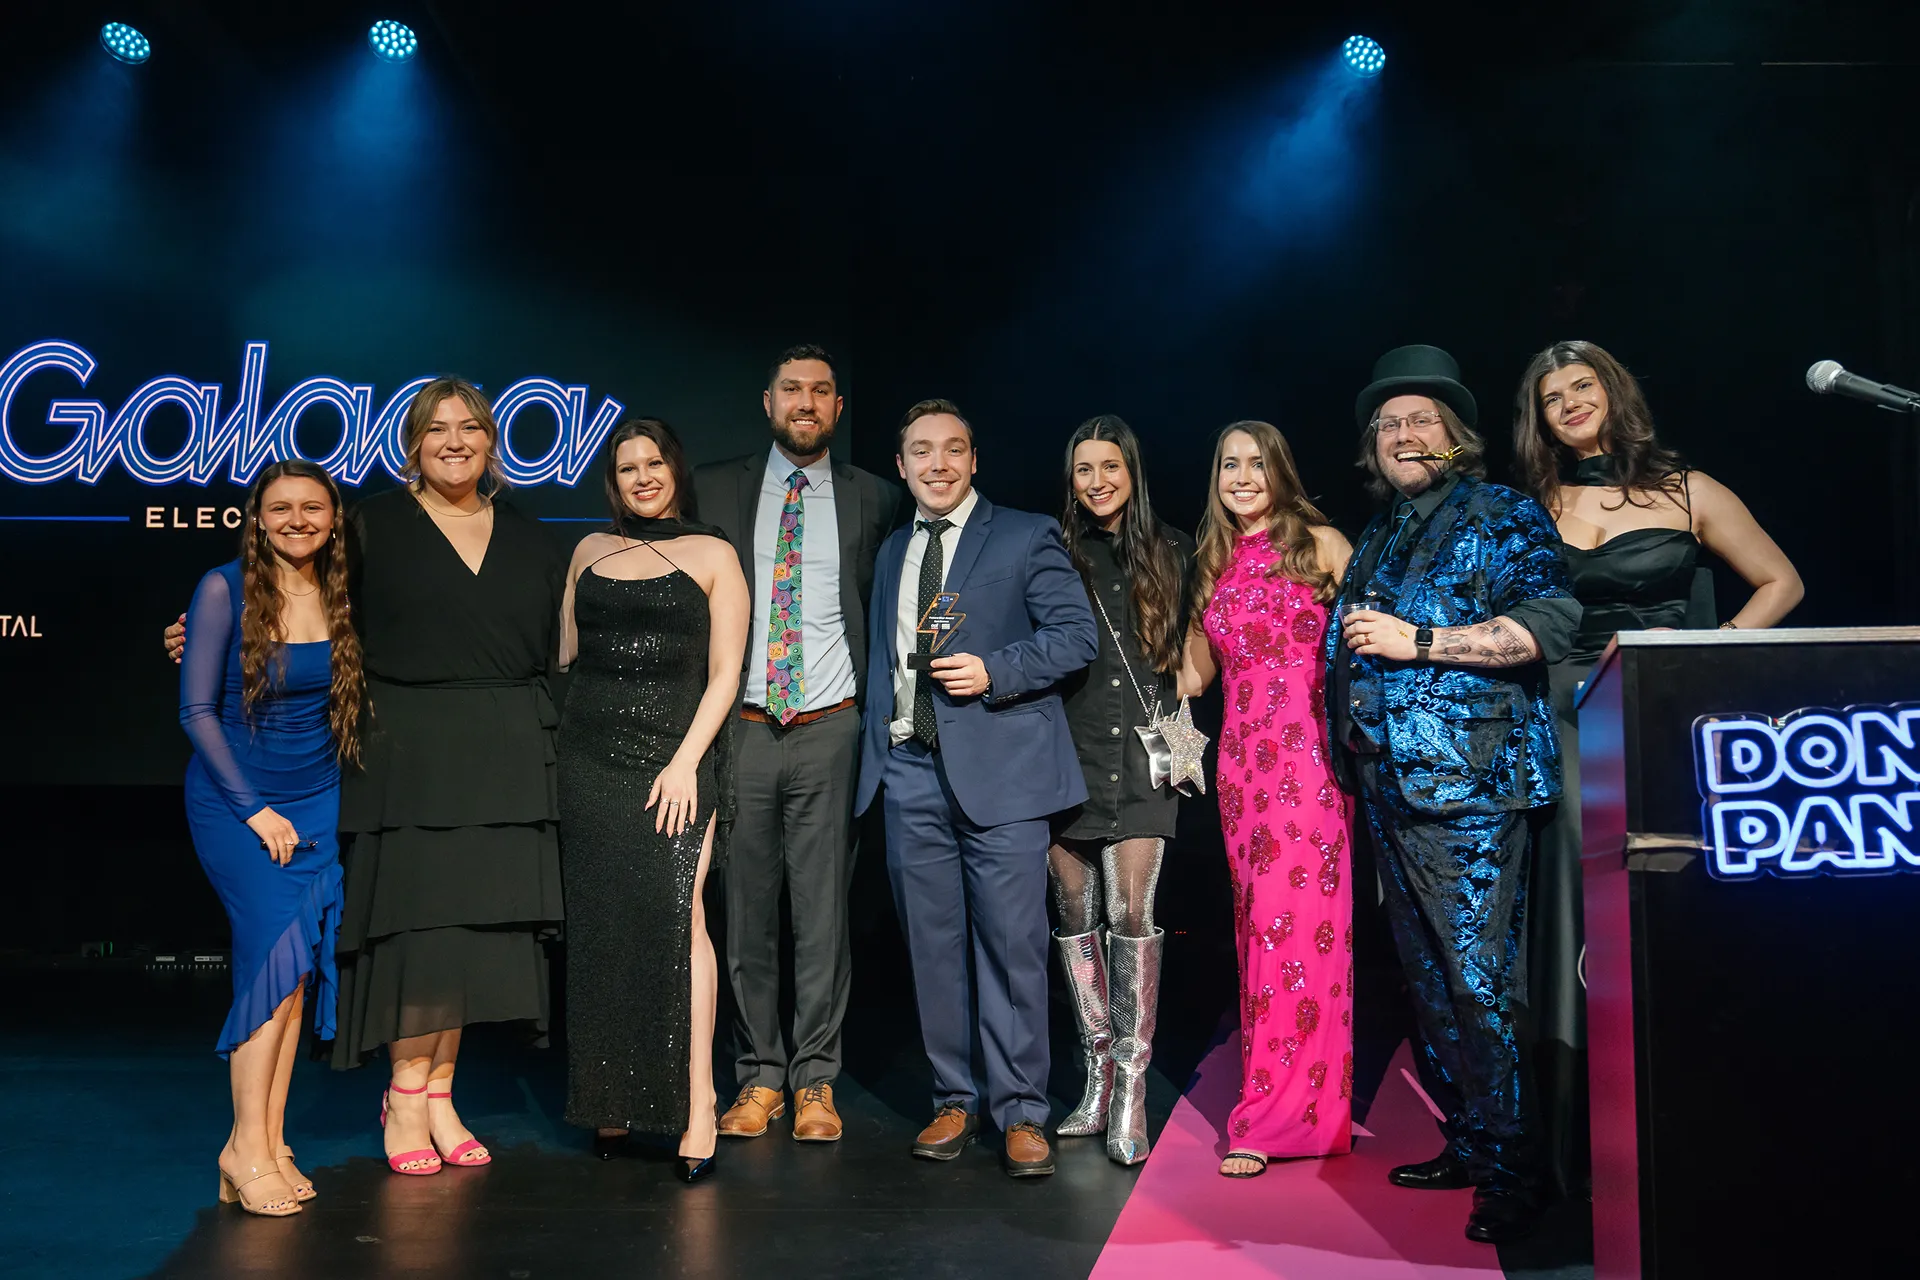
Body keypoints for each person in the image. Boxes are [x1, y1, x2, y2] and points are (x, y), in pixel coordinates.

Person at [172, 378, 567, 1175]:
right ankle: (402, 1096)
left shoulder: (532, 535)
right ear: (411, 444)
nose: (454, 442)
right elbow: (280, 588)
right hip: (402, 758)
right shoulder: (371, 525)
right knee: (414, 931)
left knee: (468, 929)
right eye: (436, 430)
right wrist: (192, 636)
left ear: (493, 441)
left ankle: (441, 1097)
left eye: (469, 428)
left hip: (499, 759)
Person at [1510, 339, 1803, 1196]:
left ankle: (1699, 1103)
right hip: (1567, 713)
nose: (1569, 402)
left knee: (1680, 886)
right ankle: (1575, 1141)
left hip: (1668, 706)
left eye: (1582, 386)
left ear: (1612, 392)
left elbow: (1780, 582)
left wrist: (1710, 654)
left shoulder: (1687, 489)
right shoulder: (1529, 505)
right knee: (1575, 896)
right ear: (1540, 418)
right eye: (1551, 395)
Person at [1327, 344, 1580, 1244]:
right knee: (1431, 983)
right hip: (1392, 787)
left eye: (1420, 420)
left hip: (1473, 783)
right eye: (1387, 424)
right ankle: (1476, 1140)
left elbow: (1548, 626)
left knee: (1478, 983)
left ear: (1457, 437)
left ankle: (1517, 1174)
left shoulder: (1498, 511)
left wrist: (1422, 641)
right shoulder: (1383, 531)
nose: (1402, 434)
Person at [854, 399, 1098, 1178]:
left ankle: (1022, 1110)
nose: (937, 464)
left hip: (1004, 779)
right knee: (931, 951)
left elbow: (1075, 637)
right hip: (909, 773)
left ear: (973, 459)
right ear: (901, 465)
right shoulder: (894, 549)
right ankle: (953, 1098)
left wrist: (997, 671)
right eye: (921, 451)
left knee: (1012, 950)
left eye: (952, 450)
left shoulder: (1025, 534)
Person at [690, 345, 902, 1144]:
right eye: (791, 390)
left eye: (820, 391)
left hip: (830, 726)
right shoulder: (716, 487)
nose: (805, 402)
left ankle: (816, 1081)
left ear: (838, 409)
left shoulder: (875, 497)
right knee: (744, 915)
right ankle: (758, 1077)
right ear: (767, 401)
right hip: (741, 727)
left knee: (823, 916)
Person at [558, 418, 749, 1183]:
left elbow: (727, 673)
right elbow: (565, 658)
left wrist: (683, 764)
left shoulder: (714, 553)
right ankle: (612, 1097)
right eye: (627, 466)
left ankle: (698, 1104)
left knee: (679, 921)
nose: (641, 476)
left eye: (654, 463)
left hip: (676, 759)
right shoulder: (587, 552)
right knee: (604, 927)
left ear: (676, 469)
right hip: (589, 761)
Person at [1176, 421, 1355, 1179]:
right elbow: (1190, 677)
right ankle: (1276, 1098)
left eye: (1255, 463)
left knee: (1301, 932)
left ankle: (1285, 1117)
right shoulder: (1212, 561)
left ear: (1280, 469)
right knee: (1259, 934)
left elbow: (1365, 650)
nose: (1242, 477)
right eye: (1228, 465)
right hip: (1243, 770)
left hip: (1309, 761)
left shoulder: (1324, 545)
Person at [181, 459, 360, 1217]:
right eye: (280, 508)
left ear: (333, 518)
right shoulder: (223, 588)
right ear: (255, 517)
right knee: (267, 973)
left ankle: (270, 1139)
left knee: (293, 985)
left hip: (316, 804)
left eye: (311, 508)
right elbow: (196, 713)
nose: (296, 520)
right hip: (241, 807)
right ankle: (241, 1147)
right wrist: (256, 810)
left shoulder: (340, 592)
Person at [1049, 414, 1192, 1166]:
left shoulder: (1172, 550)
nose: (1097, 482)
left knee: (1134, 913)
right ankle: (1097, 1078)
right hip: (1066, 756)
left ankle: (1133, 1091)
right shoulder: (1055, 548)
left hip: (1142, 761)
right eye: (1083, 469)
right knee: (1074, 911)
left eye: (1111, 467)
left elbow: (1195, 654)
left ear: (1133, 473)